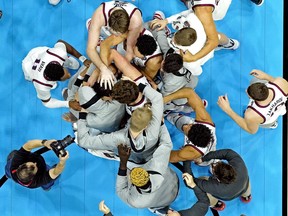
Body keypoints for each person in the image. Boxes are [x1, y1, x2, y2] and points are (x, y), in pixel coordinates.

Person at [151, 1, 239, 63]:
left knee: (212, 36)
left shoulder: (202, 10)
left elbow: (214, 40)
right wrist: (166, 20)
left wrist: (193, 58)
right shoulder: (196, 10)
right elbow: (188, 12)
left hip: (214, 9)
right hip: (202, 7)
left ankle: (229, 43)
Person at [86, 0, 143, 89]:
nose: (117, 36)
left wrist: (121, 71)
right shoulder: (99, 15)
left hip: (130, 29)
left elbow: (129, 50)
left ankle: (112, 33)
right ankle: (95, 28)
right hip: (104, 26)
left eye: (120, 34)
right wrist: (103, 69)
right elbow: (90, 49)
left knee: (124, 48)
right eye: (115, 33)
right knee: (97, 43)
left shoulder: (136, 21)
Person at [22, 39, 91, 109]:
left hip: (37, 52)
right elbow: (47, 102)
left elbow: (61, 42)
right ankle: (52, 84)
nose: (69, 75)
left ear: (60, 66)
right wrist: (68, 104)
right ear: (55, 80)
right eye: (66, 77)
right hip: (28, 66)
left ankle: (65, 61)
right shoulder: (41, 85)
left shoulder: (58, 54)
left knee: (74, 63)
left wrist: (83, 59)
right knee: (49, 86)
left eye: (66, 72)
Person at [217, 69, 288, 134]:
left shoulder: (252, 114)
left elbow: (251, 130)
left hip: (268, 120)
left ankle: (272, 124)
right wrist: (265, 76)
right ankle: (281, 111)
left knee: (262, 122)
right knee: (254, 80)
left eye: (248, 93)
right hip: (279, 105)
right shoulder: (281, 83)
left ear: (253, 99)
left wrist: (228, 110)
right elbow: (274, 81)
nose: (245, 90)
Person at [116, 143, 179, 215]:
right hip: (173, 188)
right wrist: (123, 163)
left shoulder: (136, 201)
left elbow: (120, 189)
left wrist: (123, 162)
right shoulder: (158, 166)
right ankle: (161, 209)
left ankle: (160, 209)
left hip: (169, 194)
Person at [163, 87, 215, 166]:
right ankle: (180, 112)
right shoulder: (205, 120)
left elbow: (168, 157)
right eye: (191, 125)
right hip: (206, 142)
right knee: (180, 121)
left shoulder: (191, 152)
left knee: (201, 162)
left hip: (200, 155)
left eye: (187, 130)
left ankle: (212, 162)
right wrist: (164, 99)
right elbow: (189, 92)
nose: (186, 126)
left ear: (189, 139)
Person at [5, 139, 69, 190]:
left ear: (20, 166)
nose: (35, 163)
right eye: (35, 167)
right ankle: (46, 186)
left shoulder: (15, 164)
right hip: (42, 172)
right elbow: (55, 173)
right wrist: (62, 161)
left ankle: (8, 174)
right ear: (33, 177)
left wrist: (45, 142)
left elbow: (28, 145)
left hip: (12, 169)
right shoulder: (37, 181)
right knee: (49, 180)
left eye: (30, 163)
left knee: (13, 157)